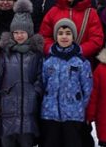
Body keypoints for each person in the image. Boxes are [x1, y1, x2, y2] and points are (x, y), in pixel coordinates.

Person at [0, 0, 44, 147]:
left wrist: (35, 92)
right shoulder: (6, 54)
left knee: (26, 141)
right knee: (8, 141)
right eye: (16, 32)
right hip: (8, 107)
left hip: (28, 108)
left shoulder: (35, 55)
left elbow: (40, 76)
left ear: (29, 33)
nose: (19, 36)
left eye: (23, 32)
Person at [40, 18, 93, 147]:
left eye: (68, 33)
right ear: (55, 36)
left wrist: (79, 104)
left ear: (73, 36)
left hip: (73, 114)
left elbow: (87, 88)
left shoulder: (81, 62)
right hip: (50, 113)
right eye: (61, 33)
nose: (64, 36)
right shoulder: (48, 61)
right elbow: (42, 83)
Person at [38, 0, 104, 58]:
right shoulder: (53, 12)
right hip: (56, 60)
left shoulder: (91, 13)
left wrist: (80, 50)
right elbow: (44, 36)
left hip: (81, 62)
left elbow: (96, 39)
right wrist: (53, 50)